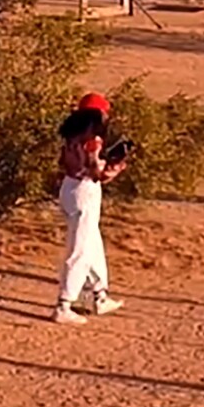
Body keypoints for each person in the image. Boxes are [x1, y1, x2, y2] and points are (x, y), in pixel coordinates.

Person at [52, 92, 128, 325]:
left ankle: (99, 296)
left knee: (92, 244)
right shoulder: (93, 139)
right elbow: (96, 172)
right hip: (85, 192)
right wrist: (114, 169)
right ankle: (64, 305)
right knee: (80, 250)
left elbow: (64, 163)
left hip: (70, 187)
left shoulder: (71, 136)